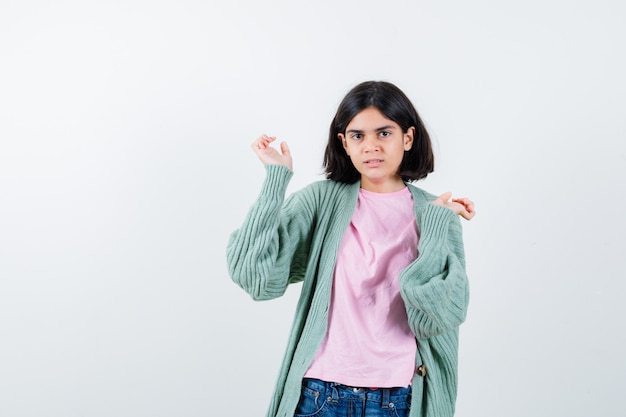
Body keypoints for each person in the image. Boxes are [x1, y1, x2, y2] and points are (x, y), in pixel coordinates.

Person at [226, 81, 475, 417]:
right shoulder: (321, 201)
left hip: (399, 399)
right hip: (319, 395)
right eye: (358, 136)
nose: (370, 146)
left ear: (408, 138)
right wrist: (275, 178)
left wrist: (434, 229)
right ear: (344, 143)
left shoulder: (437, 213)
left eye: (383, 133)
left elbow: (437, 318)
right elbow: (254, 276)